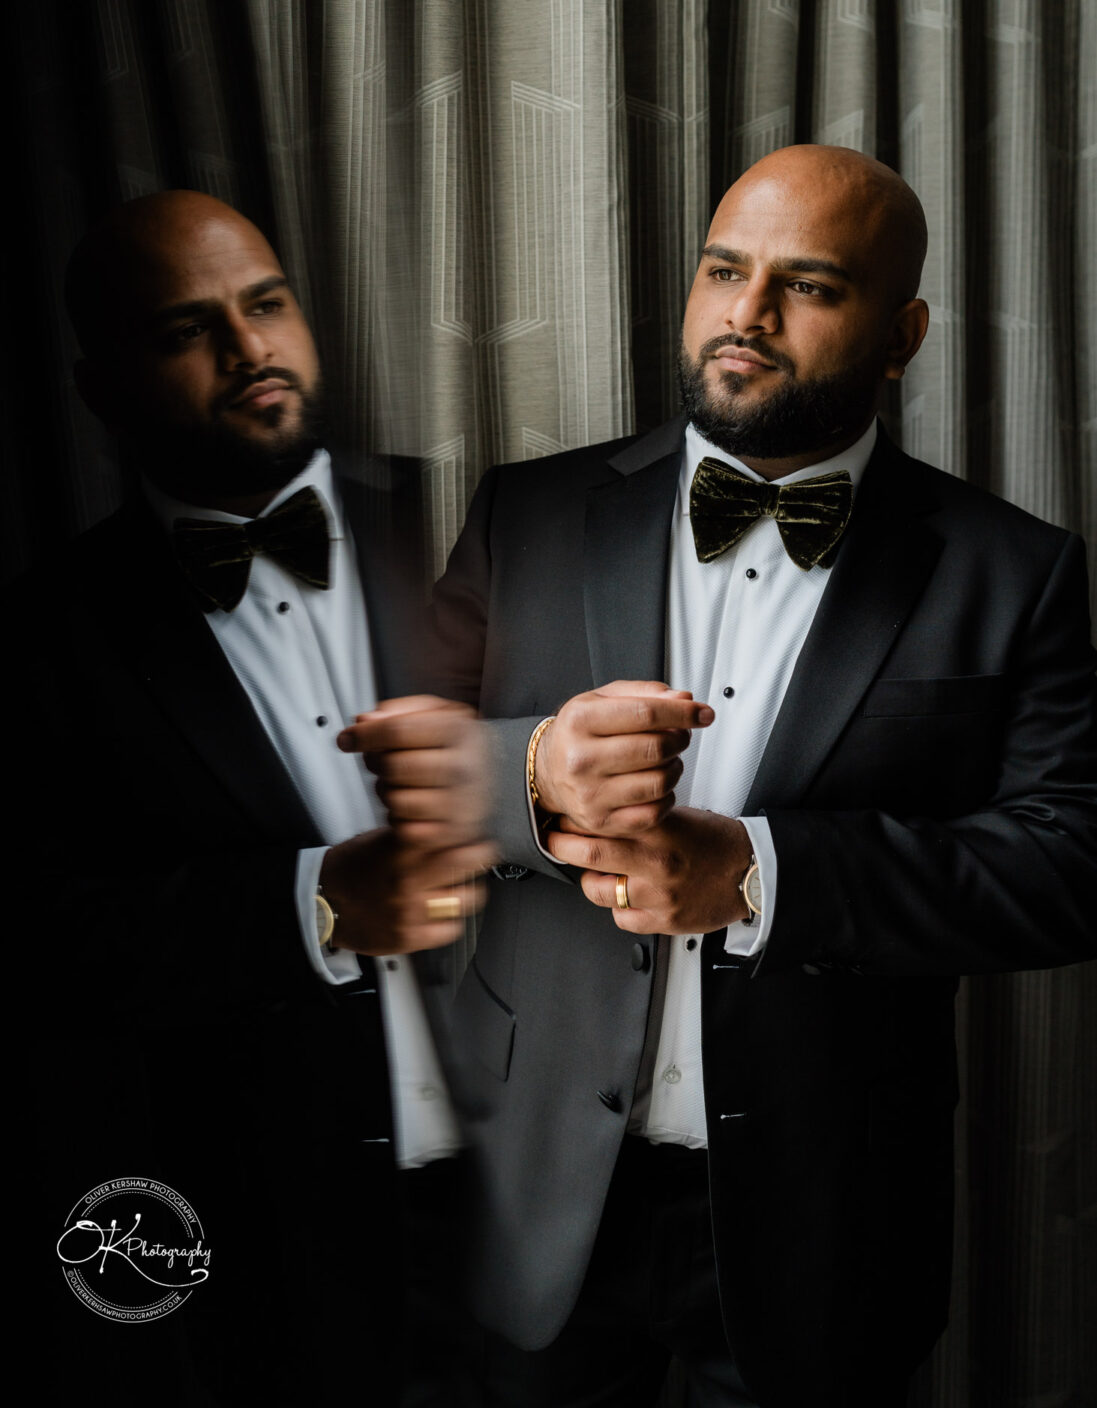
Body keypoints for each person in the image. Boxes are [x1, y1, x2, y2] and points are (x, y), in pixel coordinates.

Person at [385, 145, 1097, 1406]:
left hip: (826, 1216)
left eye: (806, 286)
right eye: (724, 270)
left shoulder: (1012, 570)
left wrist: (765, 874)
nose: (744, 316)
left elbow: (1069, 862)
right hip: (532, 1180)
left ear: (900, 334)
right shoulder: (528, 513)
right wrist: (536, 775)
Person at [21, 191, 492, 1406]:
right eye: (188, 331)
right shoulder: (52, 634)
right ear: (101, 390)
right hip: (270, 1240)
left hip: (546, 1205)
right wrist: (316, 904)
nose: (249, 353)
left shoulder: (473, 522)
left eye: (266, 305)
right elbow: (53, 942)